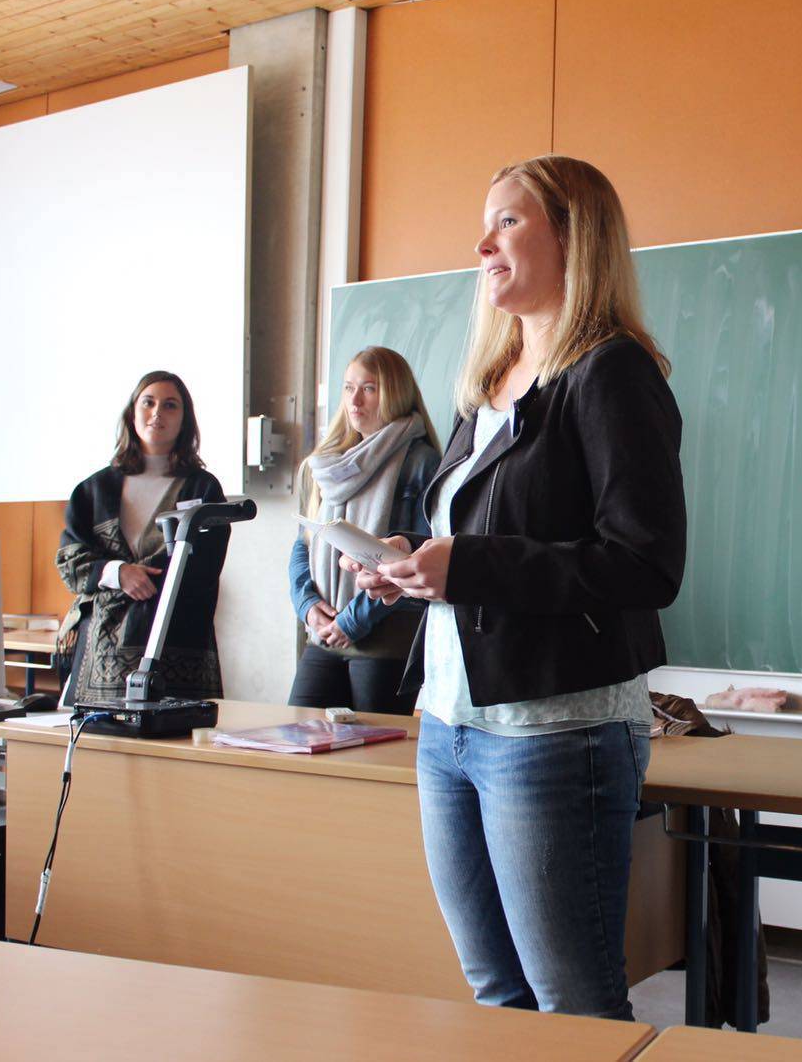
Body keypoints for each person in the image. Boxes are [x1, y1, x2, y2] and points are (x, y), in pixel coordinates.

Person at [347, 155, 686, 1020]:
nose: (482, 243)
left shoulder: (612, 374)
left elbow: (646, 564)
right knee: (495, 994)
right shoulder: (487, 387)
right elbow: (483, 541)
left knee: (572, 1006)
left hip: (553, 732)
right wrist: (412, 565)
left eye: (507, 221)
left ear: (573, 236)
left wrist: (464, 566)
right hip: (449, 723)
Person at [56, 371, 229, 705]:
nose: (157, 413)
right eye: (148, 402)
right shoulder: (93, 490)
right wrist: (118, 573)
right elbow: (70, 559)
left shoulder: (204, 489)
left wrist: (147, 578)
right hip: (103, 649)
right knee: (101, 748)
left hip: (179, 645)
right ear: (132, 412)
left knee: (179, 748)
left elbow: (205, 564)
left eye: (170, 405)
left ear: (185, 420)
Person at [287, 346, 440, 713]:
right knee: (299, 742)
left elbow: (413, 557)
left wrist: (352, 622)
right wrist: (308, 606)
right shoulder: (324, 465)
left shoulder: (420, 461)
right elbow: (302, 544)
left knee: (370, 758)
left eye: (369, 388)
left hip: (384, 639)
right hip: (323, 634)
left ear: (395, 394)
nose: (355, 399)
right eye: (348, 387)